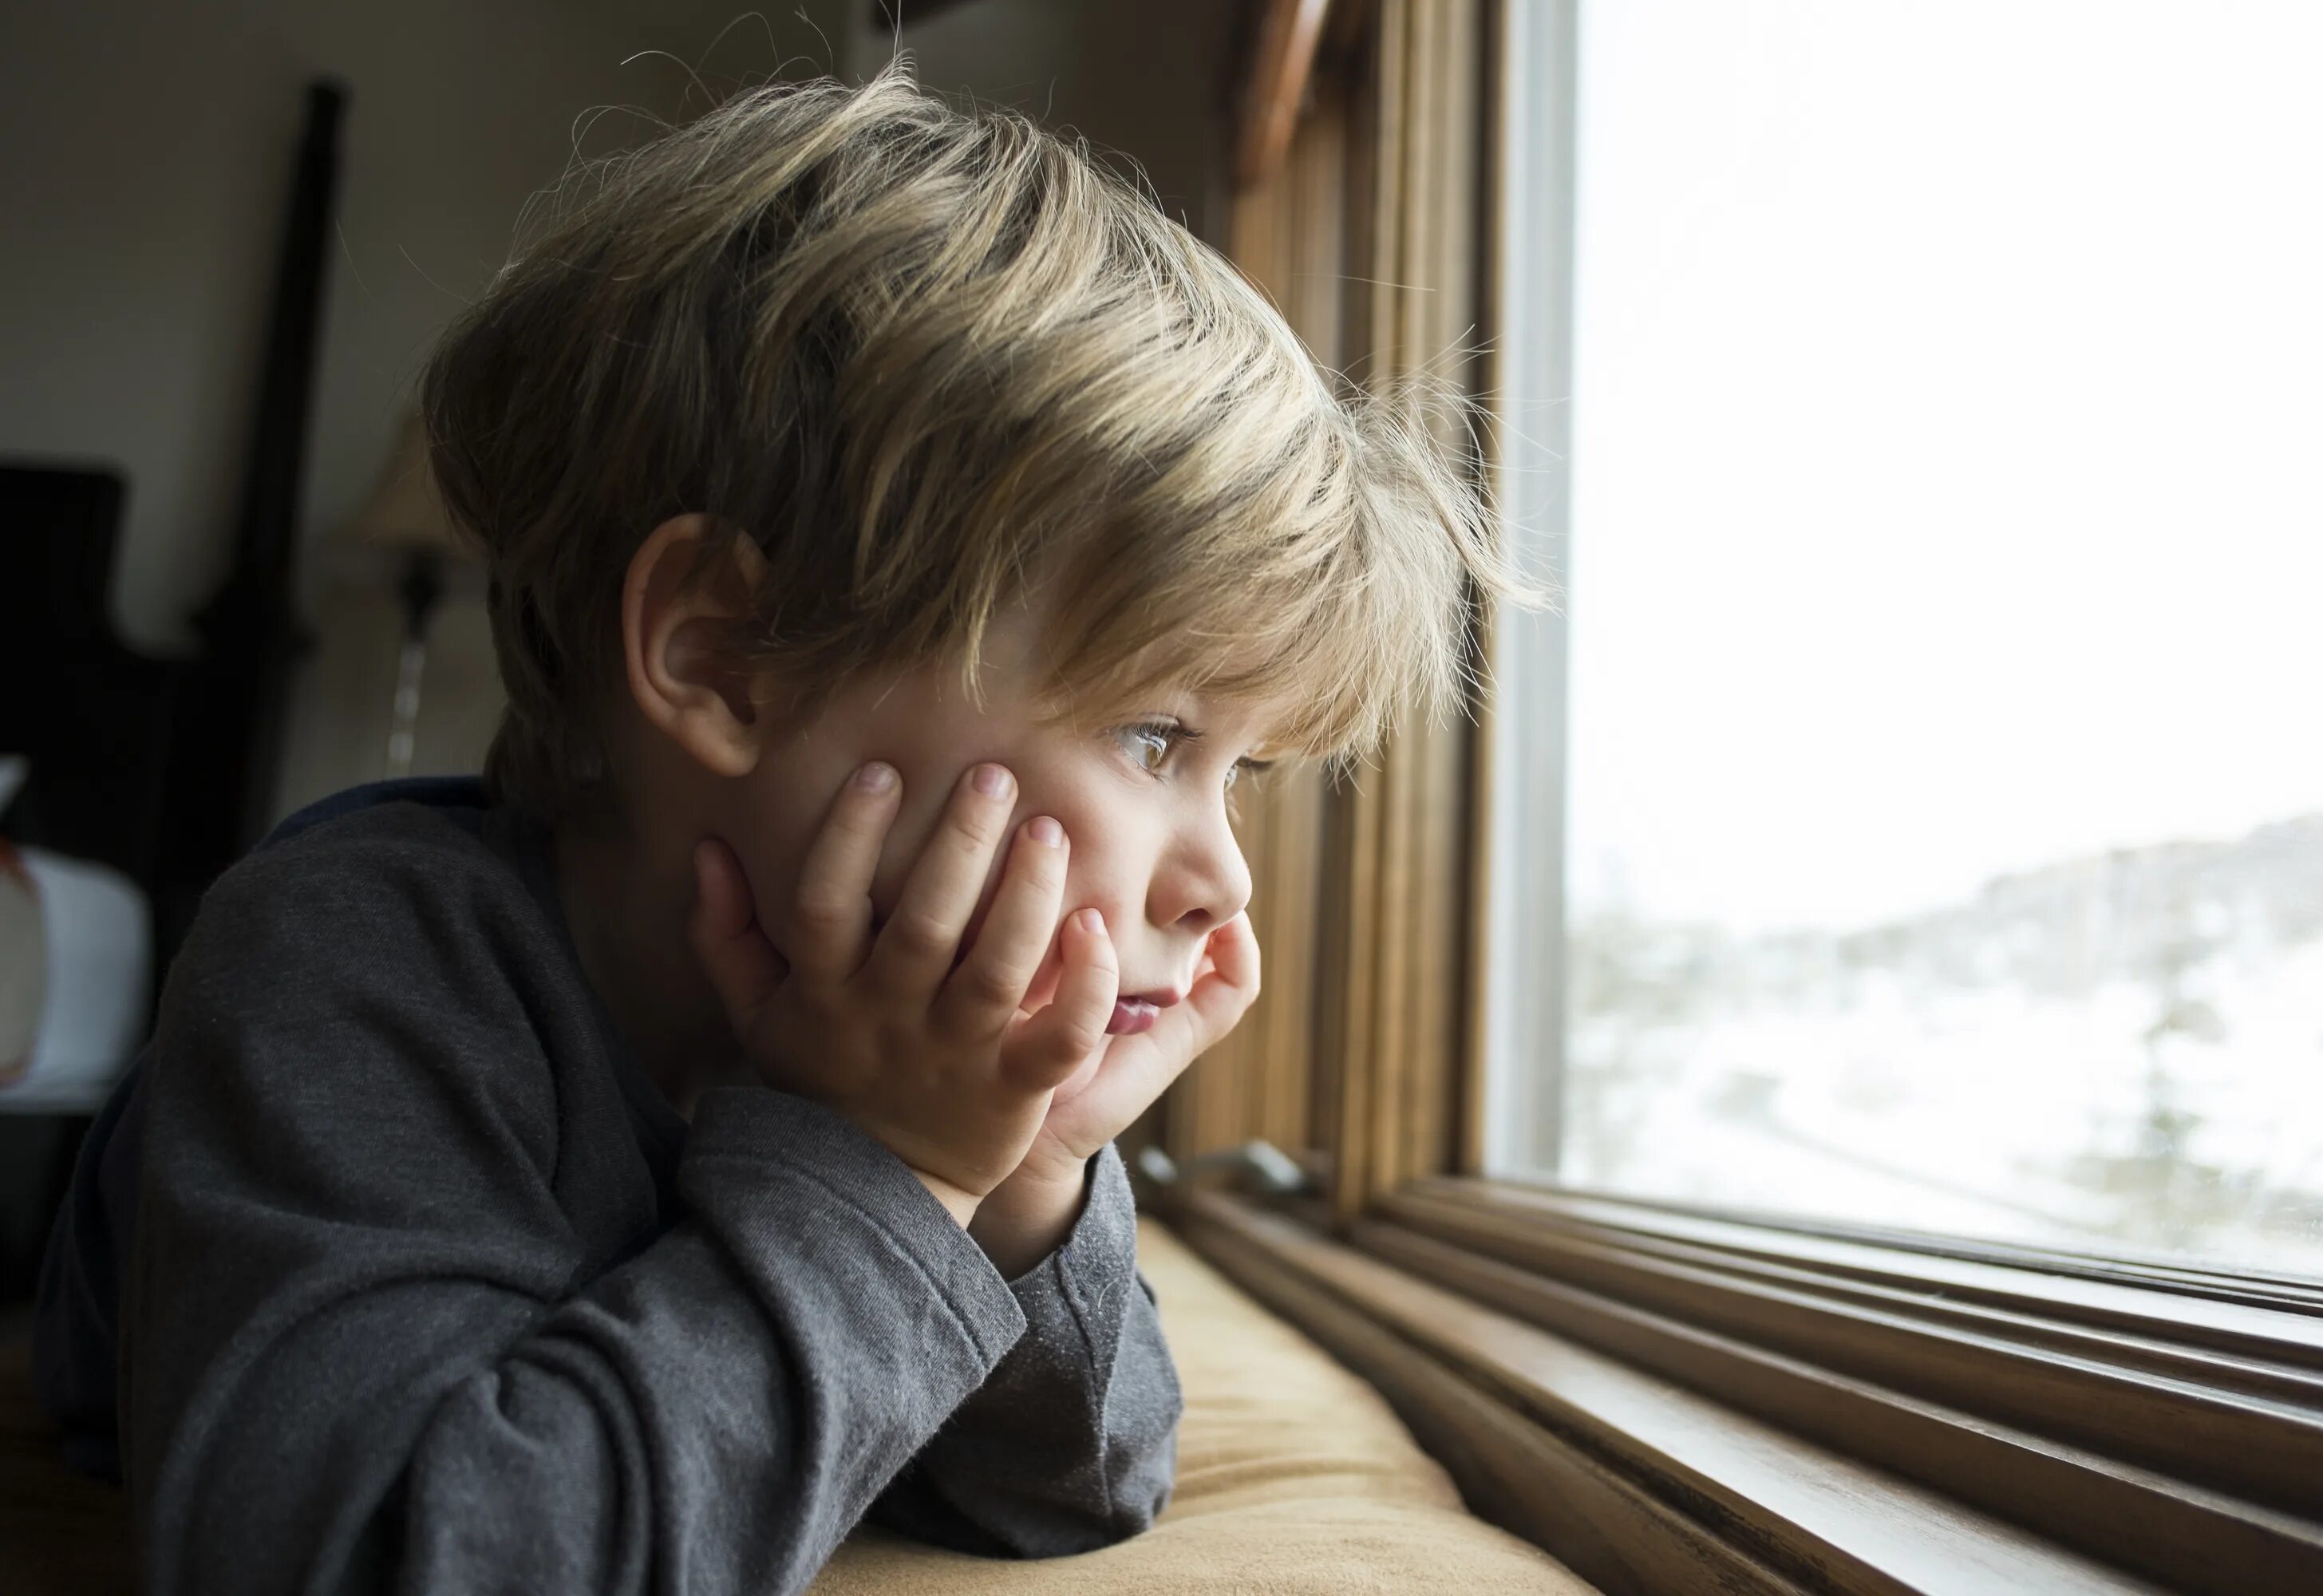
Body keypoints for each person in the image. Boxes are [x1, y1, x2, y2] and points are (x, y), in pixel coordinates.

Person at [34, 64, 1503, 1594]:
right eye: (1155, 736)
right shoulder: (359, 959)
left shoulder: (908, 1029)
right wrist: (883, 1170)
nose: (1226, 879)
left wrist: (1024, 1173)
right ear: (725, 656)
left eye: (1240, 771)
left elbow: (1072, 1496)